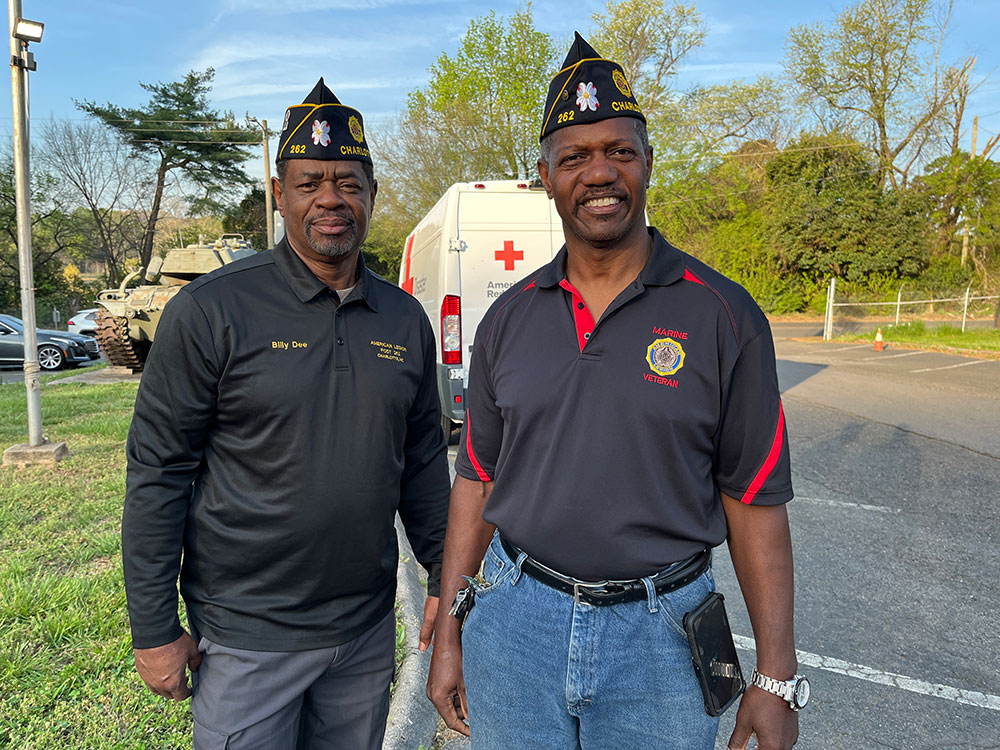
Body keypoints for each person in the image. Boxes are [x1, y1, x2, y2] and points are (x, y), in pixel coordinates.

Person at [427, 33, 807, 750]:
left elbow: (754, 501)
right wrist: (450, 628)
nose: (599, 172)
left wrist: (776, 677)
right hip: (515, 623)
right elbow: (476, 480)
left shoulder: (723, 315)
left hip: (663, 637)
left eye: (619, 151)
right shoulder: (509, 319)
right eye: (575, 157)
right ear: (545, 175)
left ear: (647, 164)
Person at [122, 78, 450, 749]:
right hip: (246, 638)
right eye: (310, 182)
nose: (331, 197)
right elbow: (158, 471)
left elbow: (421, 466)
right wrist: (153, 627)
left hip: (361, 637)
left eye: (349, 182)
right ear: (279, 194)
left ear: (372, 194)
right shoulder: (212, 311)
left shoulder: (405, 320)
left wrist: (445, 580)